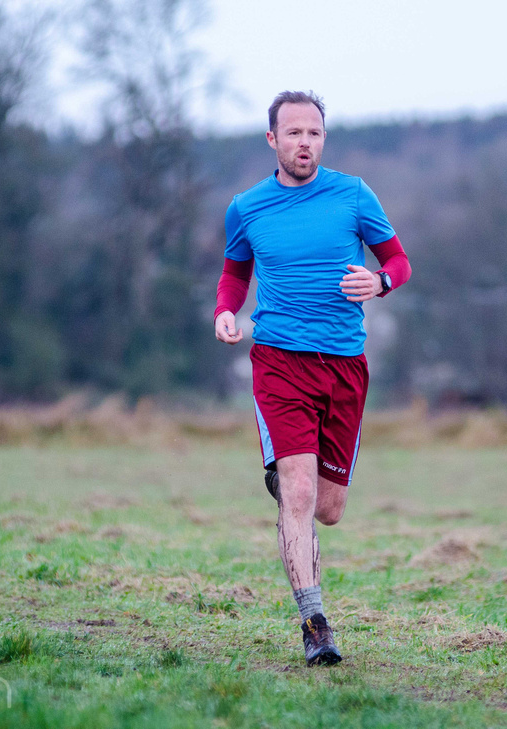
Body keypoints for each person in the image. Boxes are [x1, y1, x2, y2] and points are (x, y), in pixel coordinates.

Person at [213, 90, 412, 666]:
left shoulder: (353, 194)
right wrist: (227, 310)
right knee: (298, 494)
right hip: (279, 361)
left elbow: (397, 260)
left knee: (328, 509)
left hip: (344, 366)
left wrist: (381, 284)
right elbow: (234, 273)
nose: (306, 143)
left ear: (324, 139)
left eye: (315, 133)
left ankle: (288, 484)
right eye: (294, 133)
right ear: (272, 140)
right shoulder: (246, 207)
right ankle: (315, 624)